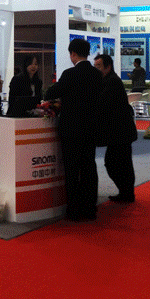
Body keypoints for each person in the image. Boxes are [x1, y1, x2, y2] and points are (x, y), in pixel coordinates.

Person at [45, 38, 102, 221]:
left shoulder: (70, 74)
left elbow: (51, 93)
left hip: (71, 129)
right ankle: (90, 208)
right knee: (89, 167)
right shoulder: (97, 74)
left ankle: (74, 210)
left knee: (72, 170)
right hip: (91, 128)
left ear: (73, 54)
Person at [93, 54, 138, 202]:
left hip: (121, 131)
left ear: (108, 67)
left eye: (99, 66)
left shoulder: (112, 81)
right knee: (118, 163)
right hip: (118, 132)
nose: (96, 69)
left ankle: (127, 193)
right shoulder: (106, 80)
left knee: (117, 163)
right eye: (95, 66)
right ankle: (126, 193)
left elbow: (102, 103)